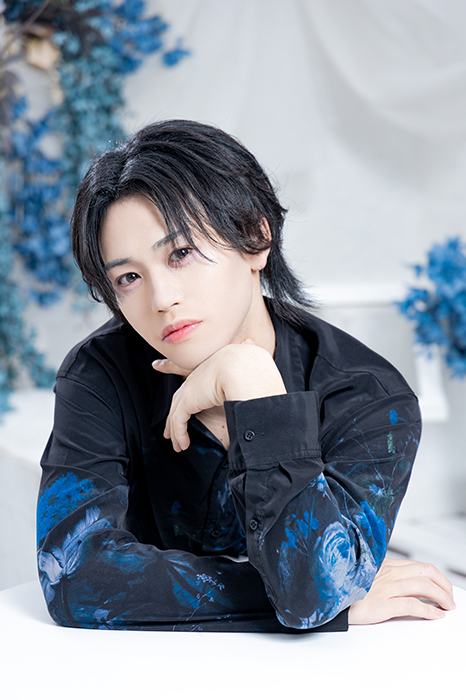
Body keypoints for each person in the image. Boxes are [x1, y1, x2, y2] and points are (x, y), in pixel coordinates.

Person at [37, 120, 455, 632]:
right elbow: (73, 577)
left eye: (181, 253)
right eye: (128, 278)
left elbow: (311, 595)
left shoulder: (369, 398)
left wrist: (254, 388)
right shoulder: (98, 375)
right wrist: (326, 591)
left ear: (256, 239)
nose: (161, 298)